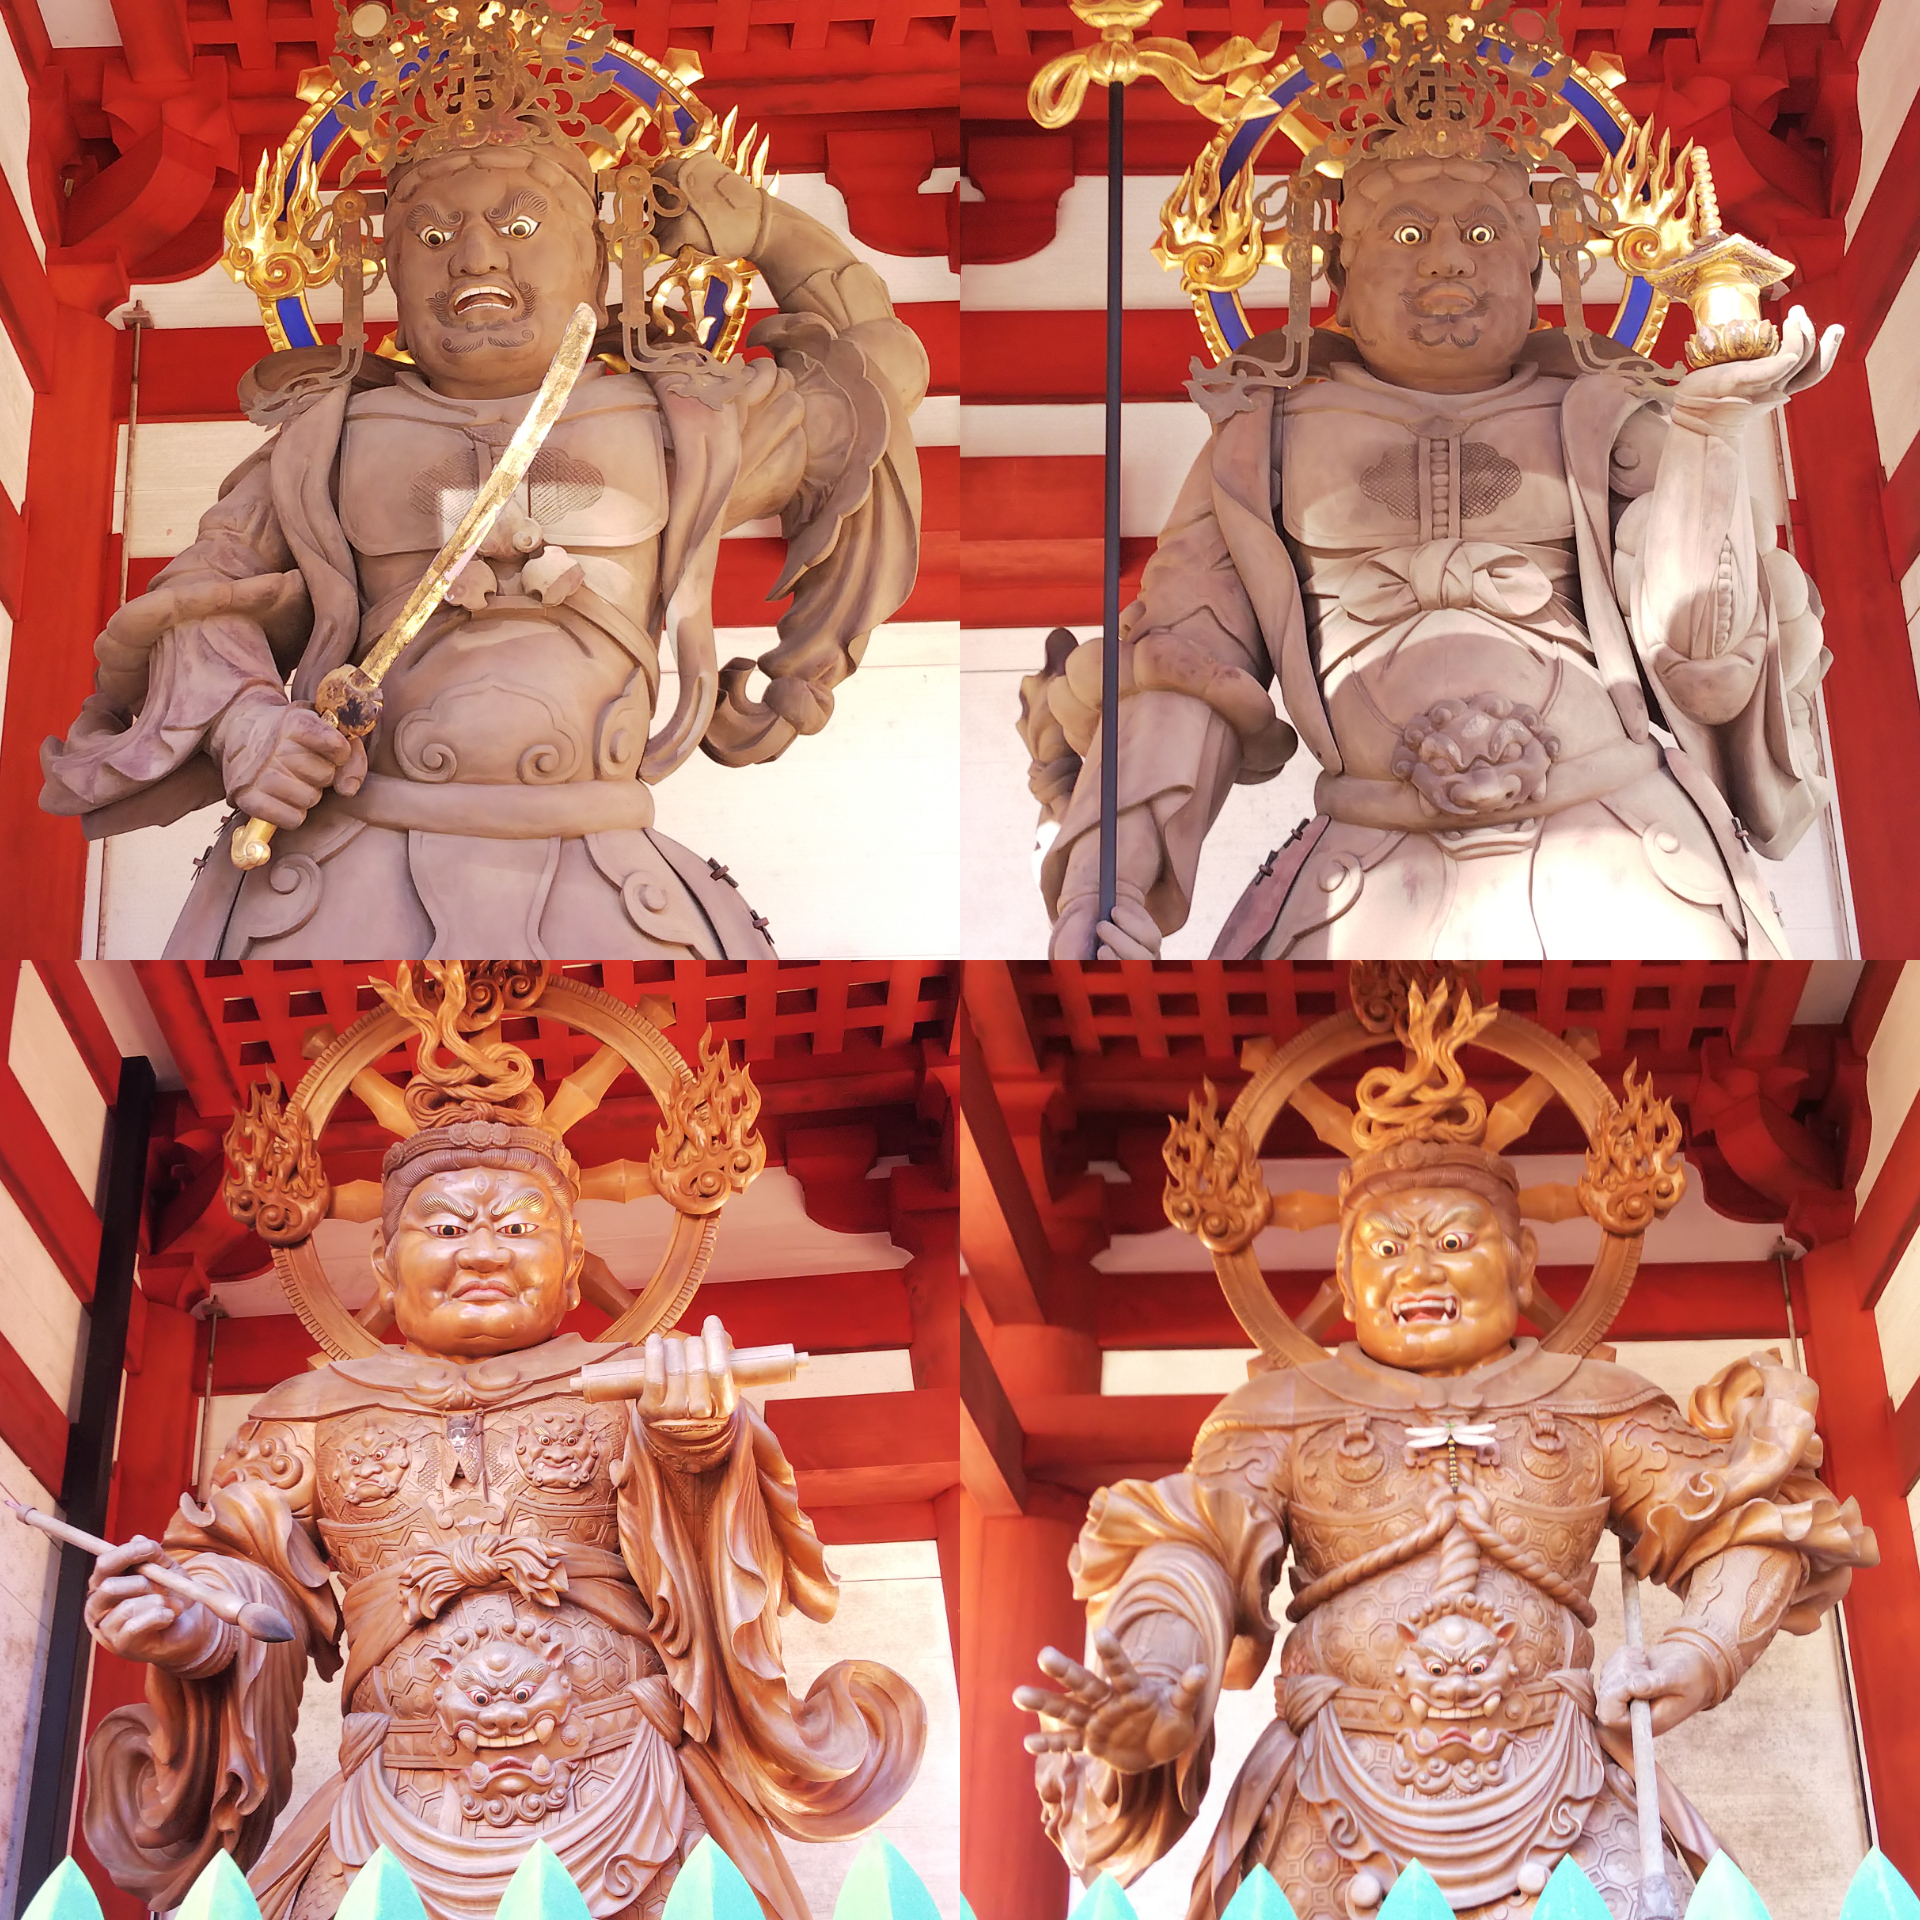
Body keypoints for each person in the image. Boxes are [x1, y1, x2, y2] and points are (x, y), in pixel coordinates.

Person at [40, 0, 926, 958]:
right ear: (381, 270)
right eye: (429, 237)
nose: (472, 257)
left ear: (598, 259)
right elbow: (194, 604)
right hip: (344, 855)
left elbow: (881, 372)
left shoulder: (686, 427)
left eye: (520, 222)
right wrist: (249, 723)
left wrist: (768, 229)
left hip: (611, 858)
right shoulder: (324, 440)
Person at [1015, 982, 1875, 1919]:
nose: (1417, 1271)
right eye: (1386, 1250)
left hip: (1562, 1786)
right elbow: (1192, 1549)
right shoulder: (1277, 1415)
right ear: (1345, 1280)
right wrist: (1156, 1680)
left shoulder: (1599, 1405)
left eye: (1455, 1240)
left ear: (1524, 1262)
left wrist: (1701, 1652)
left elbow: (1751, 1518)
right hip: (1334, 1797)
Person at [78, 973, 924, 1920]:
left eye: (520, 1227)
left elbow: (714, 1574)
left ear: (572, 1269)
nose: (482, 1251)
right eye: (445, 1227)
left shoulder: (637, 1387)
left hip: (630, 1786)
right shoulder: (307, 1415)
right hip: (392, 1808)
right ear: (384, 1267)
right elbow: (247, 1579)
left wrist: (700, 1446)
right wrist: (192, 1621)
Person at [1024, 22, 1837, 960]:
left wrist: (1713, 434)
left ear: (1535, 270)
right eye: (1407, 233)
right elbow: (1182, 667)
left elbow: (1703, 662)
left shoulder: (1609, 422)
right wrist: (1109, 887)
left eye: (1484, 233)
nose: (1448, 258)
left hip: (1627, 835)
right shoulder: (1260, 444)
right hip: (1362, 864)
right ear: (1338, 276)